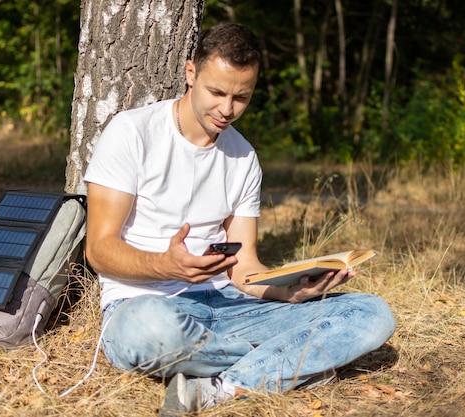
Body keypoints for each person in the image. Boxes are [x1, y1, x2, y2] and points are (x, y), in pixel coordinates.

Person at [83, 22, 395, 416]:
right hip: (149, 304)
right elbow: (99, 249)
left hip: (230, 307)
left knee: (370, 314)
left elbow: (244, 265)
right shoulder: (132, 132)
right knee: (145, 330)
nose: (227, 110)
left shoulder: (244, 157)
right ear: (190, 73)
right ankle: (286, 365)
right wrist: (166, 266)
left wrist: (288, 292)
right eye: (216, 92)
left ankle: (224, 385)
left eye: (241, 98)